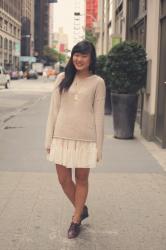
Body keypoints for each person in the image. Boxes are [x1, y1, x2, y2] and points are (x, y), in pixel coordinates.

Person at [45, 40, 106, 239]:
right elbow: (53, 111)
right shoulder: (63, 78)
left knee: (81, 179)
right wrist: (48, 140)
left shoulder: (98, 82)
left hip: (85, 139)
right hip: (61, 137)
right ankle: (82, 207)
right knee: (63, 180)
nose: (78, 59)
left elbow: (98, 115)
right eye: (76, 55)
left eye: (83, 56)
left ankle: (76, 218)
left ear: (91, 59)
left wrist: (99, 146)